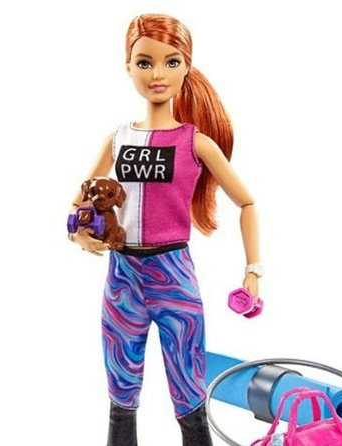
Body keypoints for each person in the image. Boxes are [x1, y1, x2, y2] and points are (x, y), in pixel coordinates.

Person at [67, 13, 262, 446]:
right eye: (145, 62)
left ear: (186, 67)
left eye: (171, 62)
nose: (157, 74)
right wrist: (79, 233)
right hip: (123, 276)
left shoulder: (195, 142)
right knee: (120, 385)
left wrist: (253, 271)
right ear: (128, 67)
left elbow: (247, 202)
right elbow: (78, 202)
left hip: (173, 272)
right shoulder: (117, 139)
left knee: (188, 383)